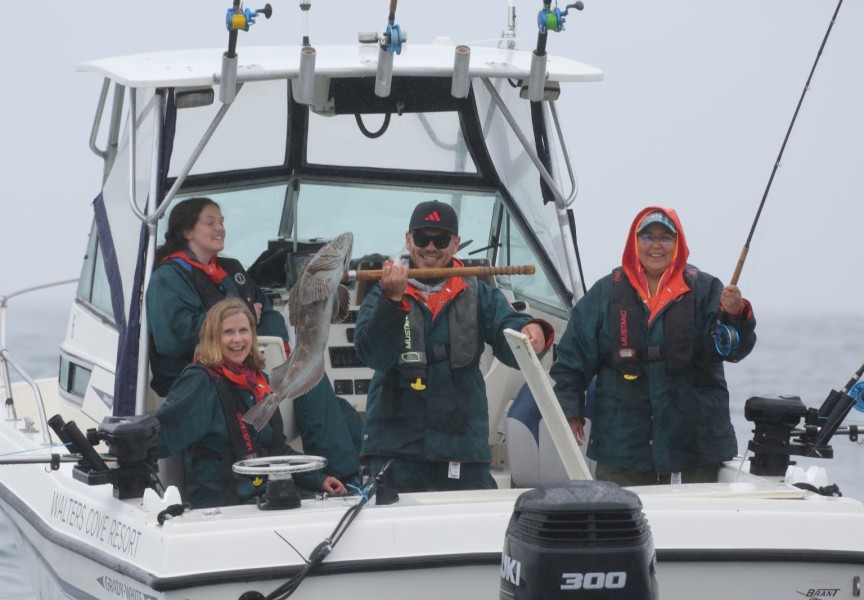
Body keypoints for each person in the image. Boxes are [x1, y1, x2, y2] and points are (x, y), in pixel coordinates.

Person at [146, 197, 361, 484]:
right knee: (314, 391)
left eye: (222, 221)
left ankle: (345, 476)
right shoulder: (168, 277)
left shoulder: (232, 270)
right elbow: (172, 338)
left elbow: (268, 313)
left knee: (330, 398)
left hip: (248, 371)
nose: (220, 228)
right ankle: (342, 478)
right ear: (187, 232)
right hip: (199, 377)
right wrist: (236, 321)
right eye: (210, 222)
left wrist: (264, 346)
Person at [353, 200, 554, 492]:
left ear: (456, 243)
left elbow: (509, 331)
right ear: (408, 240)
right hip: (395, 450)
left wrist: (532, 331)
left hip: (462, 448)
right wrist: (391, 302)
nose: (430, 247)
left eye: (441, 239)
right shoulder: (382, 293)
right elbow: (373, 354)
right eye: (422, 238)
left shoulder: (480, 295)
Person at [550, 206, 756, 486]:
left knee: (698, 524)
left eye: (665, 238)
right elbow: (572, 356)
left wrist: (737, 314)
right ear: (635, 243)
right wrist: (571, 411)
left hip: (697, 442)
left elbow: (735, 350)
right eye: (647, 237)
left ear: (678, 243)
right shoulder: (605, 292)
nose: (656, 245)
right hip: (622, 444)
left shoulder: (707, 289)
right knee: (618, 522)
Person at [153, 298, 347, 508]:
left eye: (243, 331)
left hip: (265, 496)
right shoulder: (199, 382)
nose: (238, 339)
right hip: (223, 504)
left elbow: (276, 449)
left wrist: (318, 479)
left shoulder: (260, 381)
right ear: (213, 337)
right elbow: (163, 435)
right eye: (228, 332)